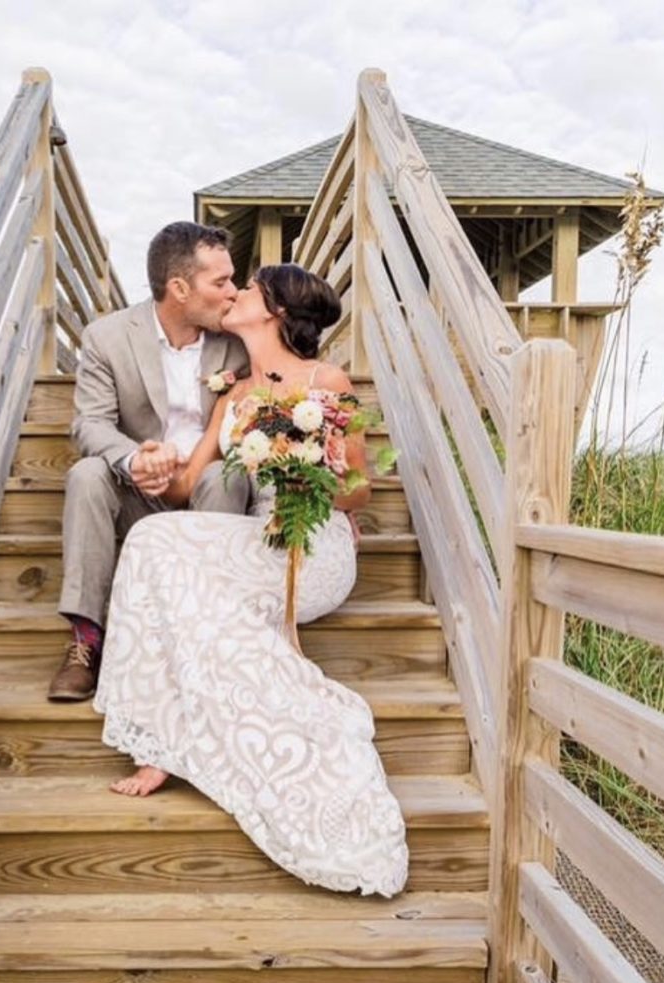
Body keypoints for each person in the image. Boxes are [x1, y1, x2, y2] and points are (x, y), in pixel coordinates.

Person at [92, 263, 409, 898]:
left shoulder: (327, 381)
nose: (236, 293)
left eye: (250, 288)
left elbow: (360, 489)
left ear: (274, 311)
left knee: (179, 569)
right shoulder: (233, 395)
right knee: (154, 539)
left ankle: (196, 738)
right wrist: (154, 468)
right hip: (260, 537)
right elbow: (185, 487)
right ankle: (158, 737)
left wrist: (306, 469)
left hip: (311, 545)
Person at [48, 222, 250, 701]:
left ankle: (205, 634)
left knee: (226, 473)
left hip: (209, 489)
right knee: (87, 472)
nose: (233, 292)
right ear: (179, 288)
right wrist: (134, 456)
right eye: (220, 282)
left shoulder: (237, 339)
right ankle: (86, 642)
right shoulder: (107, 337)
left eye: (232, 279)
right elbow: (90, 424)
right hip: (139, 494)